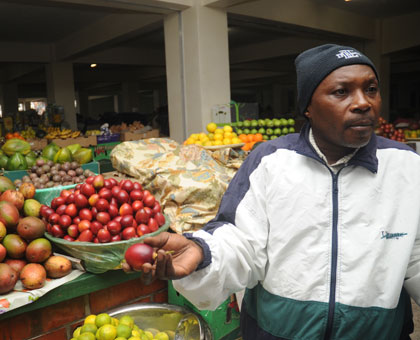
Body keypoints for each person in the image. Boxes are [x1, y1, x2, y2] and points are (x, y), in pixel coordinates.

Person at [126, 44, 420, 339]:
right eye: (341, 92)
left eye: (371, 89)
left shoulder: (405, 166)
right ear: (308, 106)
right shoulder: (270, 161)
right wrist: (203, 252)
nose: (362, 103)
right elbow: (242, 242)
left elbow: (416, 256)